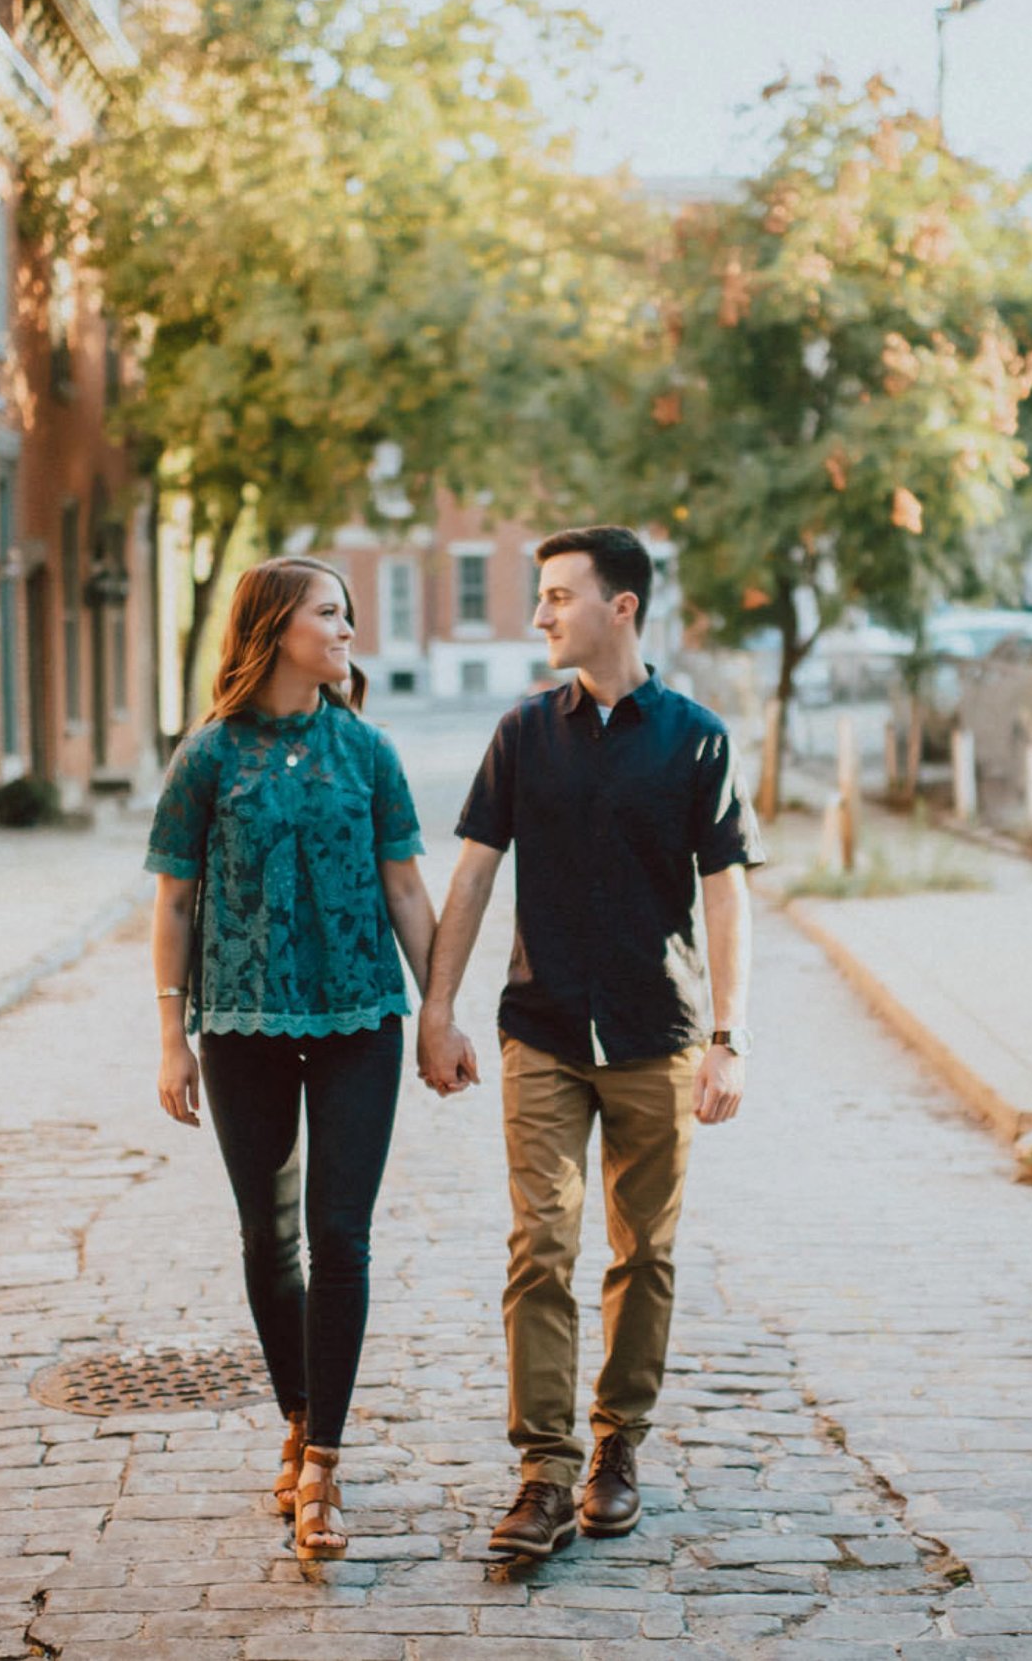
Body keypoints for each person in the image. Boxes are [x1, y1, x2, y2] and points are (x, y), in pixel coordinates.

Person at [417, 524, 763, 1560]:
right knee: (541, 1247)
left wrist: (729, 1035)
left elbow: (727, 895)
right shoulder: (524, 734)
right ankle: (543, 1469)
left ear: (622, 606)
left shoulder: (697, 738)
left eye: (558, 595)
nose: (538, 615)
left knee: (642, 1253)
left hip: (659, 1035)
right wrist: (436, 1009)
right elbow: (473, 876)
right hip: (545, 1034)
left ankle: (618, 1449)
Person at [146, 555, 437, 1562]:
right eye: (330, 612)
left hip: (362, 1022)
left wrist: (437, 1010)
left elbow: (406, 890)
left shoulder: (368, 751)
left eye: (350, 613)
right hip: (241, 1027)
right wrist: (170, 1034)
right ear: (274, 626)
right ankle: (296, 1412)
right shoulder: (209, 758)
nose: (347, 627)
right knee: (267, 1243)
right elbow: (175, 900)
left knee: (339, 1236)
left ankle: (322, 1462)